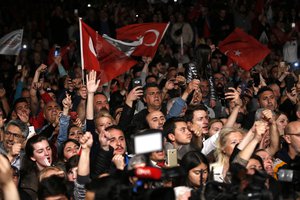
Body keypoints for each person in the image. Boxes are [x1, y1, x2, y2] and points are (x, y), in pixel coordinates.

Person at [19, 134, 53, 200]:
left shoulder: (61, 170)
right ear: (32, 157)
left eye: (48, 148)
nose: (47, 153)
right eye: (40, 151)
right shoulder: (29, 184)